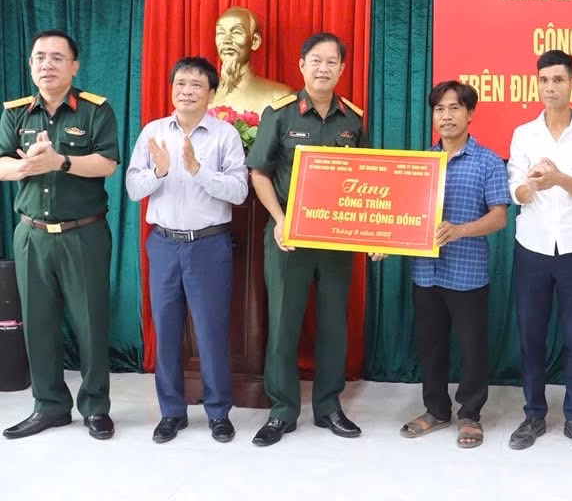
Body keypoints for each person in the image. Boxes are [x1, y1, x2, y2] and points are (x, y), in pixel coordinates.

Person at [245, 32, 373, 447]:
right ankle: (282, 411)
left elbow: (368, 180)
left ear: (342, 68)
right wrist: (280, 220)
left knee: (334, 323)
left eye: (332, 62)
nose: (323, 68)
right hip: (290, 237)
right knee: (283, 323)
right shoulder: (280, 114)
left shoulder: (353, 120)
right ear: (302, 65)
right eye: (316, 60)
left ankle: (328, 406)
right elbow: (259, 173)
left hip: (336, 238)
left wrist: (375, 233)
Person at [0, 30, 119, 440]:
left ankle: (95, 407)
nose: (46, 65)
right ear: (31, 65)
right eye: (39, 58)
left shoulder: (95, 110)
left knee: (91, 323)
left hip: (83, 233)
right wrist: (25, 167)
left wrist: (59, 161)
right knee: (38, 325)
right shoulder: (16, 112)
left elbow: (107, 163)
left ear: (74, 66)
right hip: (31, 235)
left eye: (56, 57)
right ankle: (49, 406)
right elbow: (1, 162)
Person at [125, 56, 248, 444]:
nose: (187, 91)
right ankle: (172, 412)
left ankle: (218, 413)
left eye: (196, 85)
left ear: (211, 93)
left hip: (208, 245)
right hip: (164, 244)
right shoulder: (153, 132)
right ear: (171, 89)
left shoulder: (225, 136)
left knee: (211, 333)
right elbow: (133, 189)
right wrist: (159, 171)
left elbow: (239, 192)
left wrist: (198, 170)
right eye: (180, 83)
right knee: (165, 331)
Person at [506, 49, 572, 454]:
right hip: (531, 246)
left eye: (558, 80)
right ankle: (533, 414)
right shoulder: (524, 134)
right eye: (544, 80)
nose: (550, 87)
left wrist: (560, 179)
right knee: (531, 335)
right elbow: (515, 189)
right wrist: (530, 186)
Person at [400, 81, 509, 449]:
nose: (446, 116)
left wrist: (460, 230)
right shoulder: (421, 164)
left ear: (470, 114)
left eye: (454, 108)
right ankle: (436, 410)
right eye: (439, 109)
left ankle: (470, 415)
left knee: (472, 347)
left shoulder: (488, 161)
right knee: (430, 345)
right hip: (426, 271)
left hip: (467, 273)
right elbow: (404, 216)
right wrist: (386, 242)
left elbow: (499, 217)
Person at [210, 6, 293, 114]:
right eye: (221, 33)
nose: (226, 40)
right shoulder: (202, 94)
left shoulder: (279, 97)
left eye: (236, 32)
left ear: (255, 41)